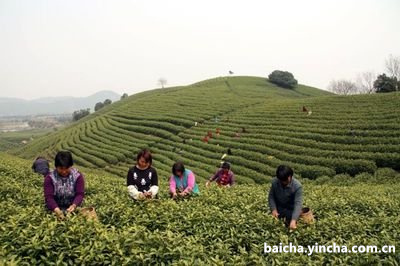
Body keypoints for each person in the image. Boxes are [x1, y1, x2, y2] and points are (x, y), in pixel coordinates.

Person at [44, 151, 85, 219]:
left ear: (71, 166)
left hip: (73, 208)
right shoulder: (50, 178)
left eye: (66, 168)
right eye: (61, 168)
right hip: (55, 209)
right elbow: (49, 197)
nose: (64, 171)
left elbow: (80, 194)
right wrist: (57, 210)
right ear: (56, 167)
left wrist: (74, 205)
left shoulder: (77, 176)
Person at [268, 165, 303, 230]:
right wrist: (273, 209)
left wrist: (294, 220)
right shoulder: (275, 182)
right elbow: (271, 197)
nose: (283, 182)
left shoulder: (297, 186)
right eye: (281, 180)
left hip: (291, 210)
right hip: (279, 210)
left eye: (285, 180)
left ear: (290, 176)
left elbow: (298, 204)